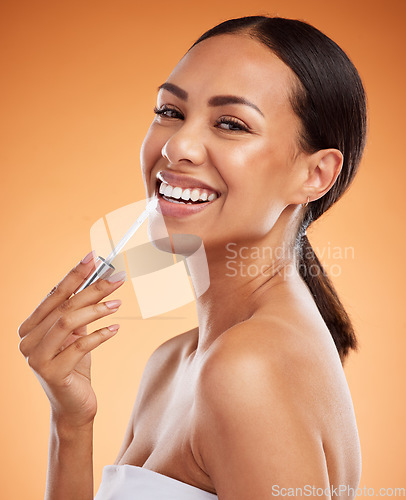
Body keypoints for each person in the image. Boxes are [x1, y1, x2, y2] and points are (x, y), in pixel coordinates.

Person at [18, 15, 367, 500]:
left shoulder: (247, 370)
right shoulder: (175, 361)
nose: (177, 146)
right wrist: (71, 423)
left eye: (231, 123)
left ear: (314, 175)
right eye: (170, 111)